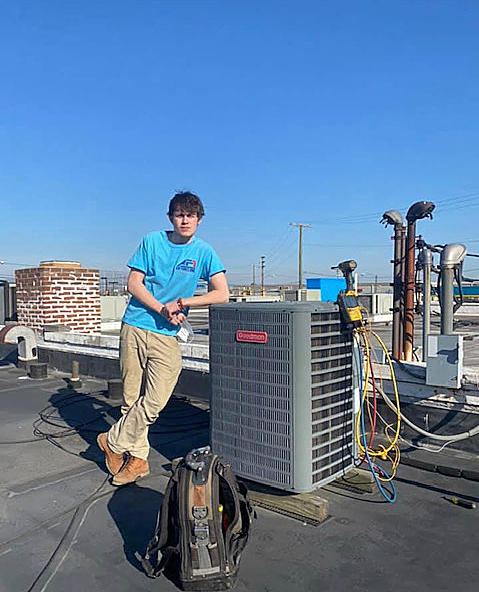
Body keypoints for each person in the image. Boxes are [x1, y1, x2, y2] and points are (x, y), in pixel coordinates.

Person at [97, 191, 229, 485]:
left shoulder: (204, 252)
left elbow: (222, 293)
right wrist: (162, 308)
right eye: (180, 214)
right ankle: (137, 461)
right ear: (171, 217)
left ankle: (112, 440)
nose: (185, 220)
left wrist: (182, 303)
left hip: (166, 337)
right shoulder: (152, 241)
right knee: (131, 399)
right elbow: (134, 283)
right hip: (135, 325)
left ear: (199, 219)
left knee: (155, 400)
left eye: (191, 215)